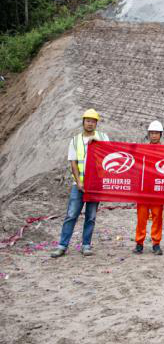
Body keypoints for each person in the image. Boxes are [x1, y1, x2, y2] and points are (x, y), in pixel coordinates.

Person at [51, 109, 110, 258]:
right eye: (88, 120)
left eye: (93, 121)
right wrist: (78, 182)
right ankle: (62, 245)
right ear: (83, 122)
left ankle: (86, 245)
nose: (90, 123)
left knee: (91, 216)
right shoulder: (75, 140)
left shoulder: (103, 137)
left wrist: (99, 144)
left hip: (95, 186)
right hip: (79, 185)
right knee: (71, 215)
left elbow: (109, 156)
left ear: (96, 123)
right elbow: (73, 163)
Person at [133, 120, 164, 255]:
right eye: (152, 133)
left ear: (160, 135)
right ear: (148, 134)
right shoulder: (142, 148)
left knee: (157, 217)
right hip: (143, 189)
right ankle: (139, 243)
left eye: (156, 133)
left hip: (158, 189)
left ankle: (156, 243)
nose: (154, 135)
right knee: (141, 218)